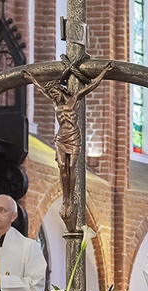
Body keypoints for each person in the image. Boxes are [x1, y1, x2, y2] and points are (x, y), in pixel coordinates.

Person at [23, 62, 114, 230]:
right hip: (61, 138)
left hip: (73, 136)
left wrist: (103, 72)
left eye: (55, 93)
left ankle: (70, 199)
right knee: (62, 166)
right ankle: (66, 199)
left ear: (60, 90)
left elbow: (91, 86)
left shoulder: (73, 99)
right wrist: (32, 79)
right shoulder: (55, 103)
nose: (54, 96)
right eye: (52, 94)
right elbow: (42, 90)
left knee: (72, 166)